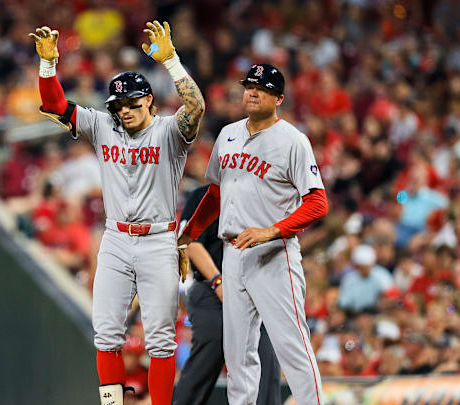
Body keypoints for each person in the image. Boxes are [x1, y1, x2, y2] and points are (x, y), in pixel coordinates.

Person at [28, 20, 205, 405]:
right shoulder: (103, 125)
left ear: (150, 103)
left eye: (132, 103)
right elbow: (56, 105)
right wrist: (48, 67)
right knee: (106, 334)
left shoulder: (169, 132)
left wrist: (171, 60)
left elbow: (197, 106)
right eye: (119, 104)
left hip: (159, 239)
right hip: (115, 238)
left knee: (160, 338)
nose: (124, 110)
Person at [178, 64, 328, 405]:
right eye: (248, 86)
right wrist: (189, 235)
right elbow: (215, 194)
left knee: (292, 346)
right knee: (239, 352)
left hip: (275, 253)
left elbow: (318, 203)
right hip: (233, 254)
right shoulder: (228, 134)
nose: (252, 92)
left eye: (261, 87)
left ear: (279, 98)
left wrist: (272, 230)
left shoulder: (293, 140)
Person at [173, 184, 282, 405]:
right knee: (208, 353)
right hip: (212, 292)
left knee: (266, 358)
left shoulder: (260, 193)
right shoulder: (202, 194)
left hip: (254, 290)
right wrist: (218, 281)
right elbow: (189, 242)